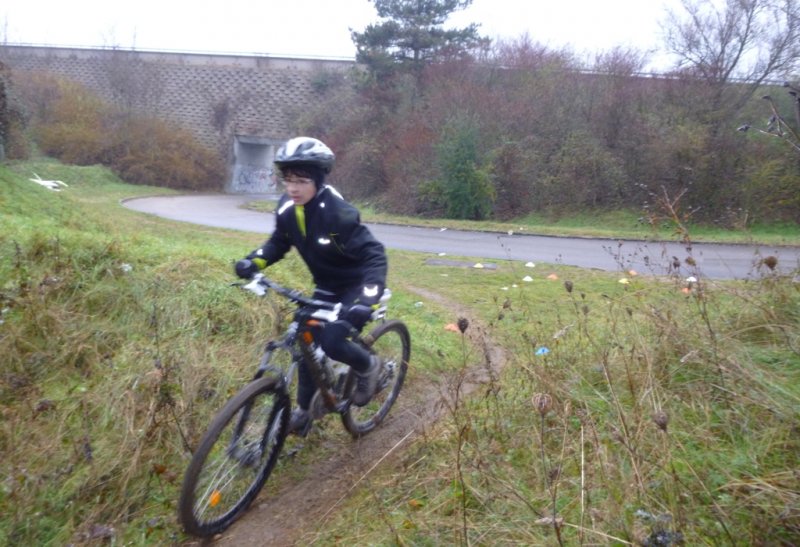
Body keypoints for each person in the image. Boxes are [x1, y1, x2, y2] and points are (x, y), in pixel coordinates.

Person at [234, 136, 388, 436]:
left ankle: (368, 365)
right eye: (288, 180)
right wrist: (254, 262)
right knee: (304, 338)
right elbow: (279, 243)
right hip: (326, 286)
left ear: (317, 181)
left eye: (302, 181)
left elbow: (374, 255)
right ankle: (305, 411)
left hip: (355, 287)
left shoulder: (337, 214)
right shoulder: (287, 208)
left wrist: (366, 301)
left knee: (331, 340)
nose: (293, 188)